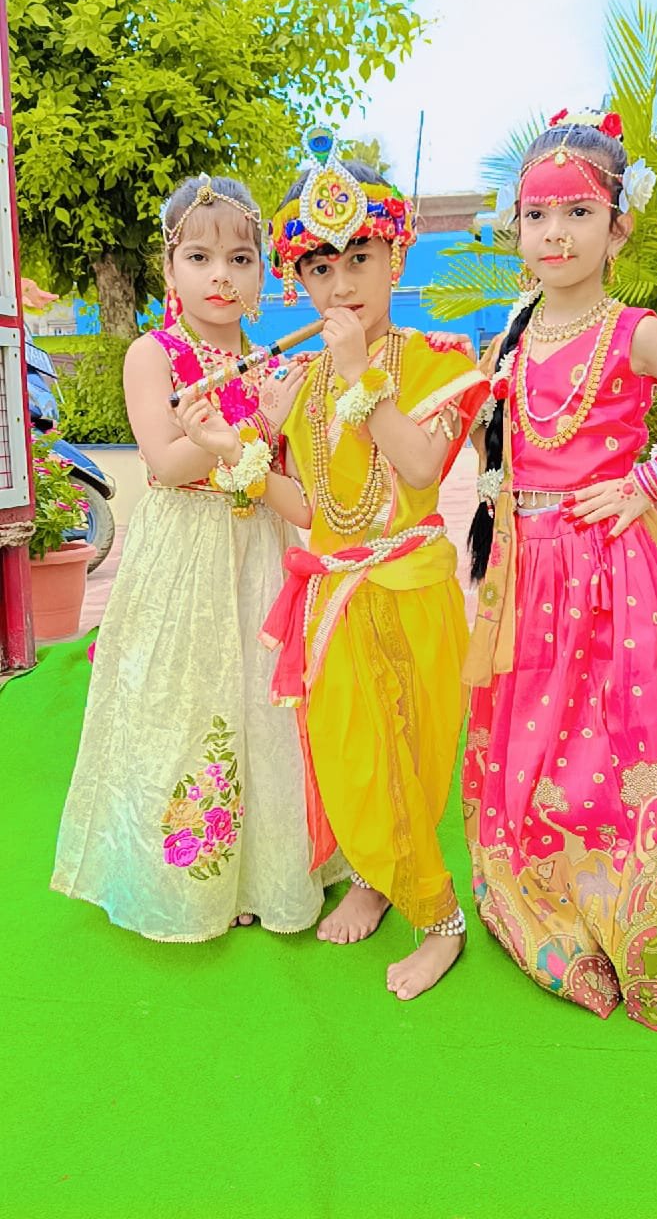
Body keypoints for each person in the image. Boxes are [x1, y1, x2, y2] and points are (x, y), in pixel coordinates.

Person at [462, 109, 657, 1031]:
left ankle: (624, 906)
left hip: (616, 569)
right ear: (516, 229)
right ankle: (552, 905)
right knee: (536, 745)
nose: (556, 233)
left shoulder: (636, 333)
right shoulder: (512, 335)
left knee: (619, 744)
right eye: (538, 214)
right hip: (528, 574)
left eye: (578, 212)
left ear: (618, 227)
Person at [51, 173, 345, 941]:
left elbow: (295, 486)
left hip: (263, 550)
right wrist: (249, 430)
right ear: (169, 266)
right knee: (184, 702)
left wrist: (269, 427)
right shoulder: (153, 354)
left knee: (265, 706)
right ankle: (185, 882)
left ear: (262, 273)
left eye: (241, 260)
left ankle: (269, 872)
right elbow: (164, 460)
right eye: (200, 258)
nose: (222, 276)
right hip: (182, 551)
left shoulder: (275, 366)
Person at [252, 128, 489, 1000]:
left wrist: (362, 376)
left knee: (410, 758)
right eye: (321, 268)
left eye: (360, 259)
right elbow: (313, 511)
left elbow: (422, 470)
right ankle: (381, 880)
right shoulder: (303, 383)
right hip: (334, 597)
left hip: (410, 588)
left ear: (397, 257)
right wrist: (243, 453)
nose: (342, 284)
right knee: (352, 756)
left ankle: (439, 920)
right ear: (300, 281)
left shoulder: (438, 361)